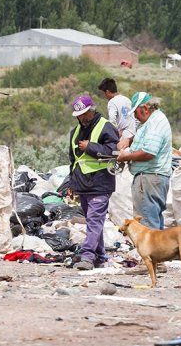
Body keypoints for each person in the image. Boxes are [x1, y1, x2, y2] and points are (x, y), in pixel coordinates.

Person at [67, 95, 119, 271]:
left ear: (92, 110)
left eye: (84, 114)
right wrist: (71, 184)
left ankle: (88, 256)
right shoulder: (75, 132)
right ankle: (100, 256)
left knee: (94, 221)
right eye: (79, 115)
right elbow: (73, 159)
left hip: (101, 182)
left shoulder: (106, 127)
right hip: (83, 184)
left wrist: (90, 147)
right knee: (93, 222)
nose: (82, 118)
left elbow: (114, 151)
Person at [116, 92, 172, 230]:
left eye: (136, 112)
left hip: (149, 178)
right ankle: (159, 251)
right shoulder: (152, 121)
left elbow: (149, 152)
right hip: (153, 178)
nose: (135, 116)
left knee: (147, 226)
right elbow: (146, 140)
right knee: (154, 222)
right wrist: (129, 141)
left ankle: (152, 252)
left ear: (145, 109)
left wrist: (125, 157)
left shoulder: (155, 122)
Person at [98, 78, 135, 150]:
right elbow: (135, 117)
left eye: (104, 93)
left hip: (123, 137)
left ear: (107, 92)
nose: (104, 96)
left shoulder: (112, 102)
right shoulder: (127, 99)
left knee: (120, 157)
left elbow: (112, 120)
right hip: (133, 135)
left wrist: (115, 133)